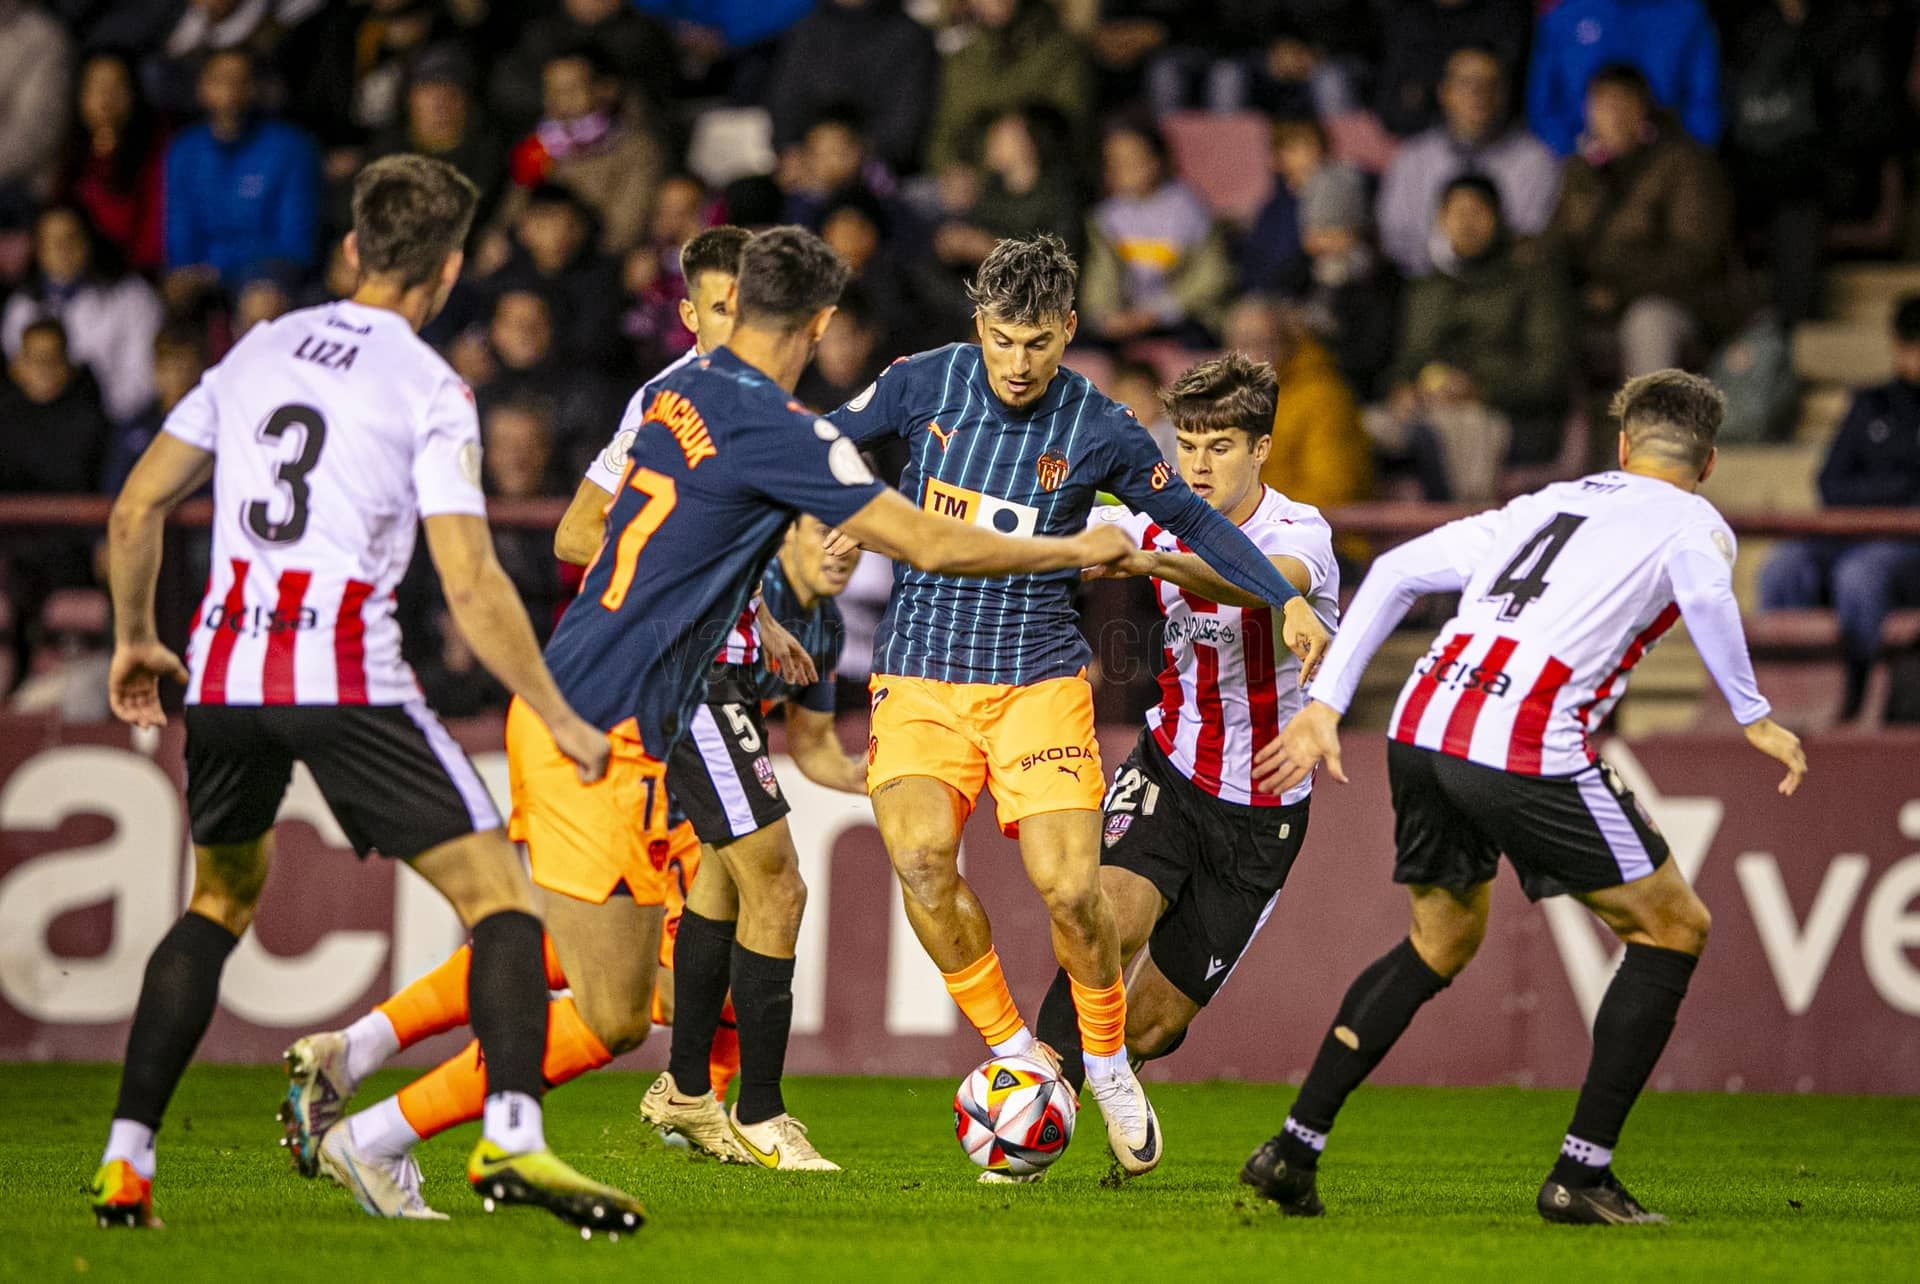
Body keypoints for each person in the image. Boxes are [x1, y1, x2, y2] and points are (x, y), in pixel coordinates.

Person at [290, 225, 1139, 1194]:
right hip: (613, 715)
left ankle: (381, 1085)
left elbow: (701, 530)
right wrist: (1078, 551)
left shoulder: (676, 395)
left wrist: (772, 598)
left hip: (619, 709)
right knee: (685, 947)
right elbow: (926, 544)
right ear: (817, 325)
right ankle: (701, 1108)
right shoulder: (773, 426)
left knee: (631, 958)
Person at [89, 154, 643, 1235]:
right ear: (448, 270)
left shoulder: (255, 350)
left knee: (217, 904)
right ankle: (514, 1141)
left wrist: (132, 640)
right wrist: (562, 712)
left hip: (228, 674)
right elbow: (475, 583)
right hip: (342, 673)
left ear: (352, 249)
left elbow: (134, 510)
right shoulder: (431, 386)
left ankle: (126, 1162)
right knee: (502, 906)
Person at [1241, 369, 1807, 1225]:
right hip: (1521, 738)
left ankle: (1292, 1148)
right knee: (1673, 926)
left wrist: (1325, 706)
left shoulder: (1544, 503)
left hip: (1423, 721)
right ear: (1709, 461)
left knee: (1439, 941)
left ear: (1621, 445)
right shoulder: (1693, 521)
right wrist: (1755, 715)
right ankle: (1582, 1173)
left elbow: (1395, 569)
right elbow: (1704, 593)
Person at [825, 234, 1331, 1180]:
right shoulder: (919, 383)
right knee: (923, 857)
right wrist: (814, 534)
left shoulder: (1102, 430)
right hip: (921, 673)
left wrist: (1287, 594)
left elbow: (1195, 523)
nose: (1017, 365)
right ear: (979, 324)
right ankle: (1022, 1055)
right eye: (1002, 340)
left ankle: (1105, 1065)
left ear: (1068, 331)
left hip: (1039, 680)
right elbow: (813, 447)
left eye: (1037, 344)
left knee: (1070, 893)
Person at [1027, 354, 1340, 1138]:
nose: (1198, 465)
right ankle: (1031, 1103)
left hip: (1262, 814)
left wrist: (1151, 556)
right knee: (1105, 921)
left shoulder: (1303, 530)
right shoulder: (1149, 512)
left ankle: (1094, 1082)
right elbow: (1055, 518)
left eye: (1221, 446)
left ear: (1262, 449)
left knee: (1150, 1028)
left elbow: (1265, 579)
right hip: (1170, 766)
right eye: (1187, 444)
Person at [1759, 295, 1920, 722]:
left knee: (1861, 577)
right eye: (1911, 343)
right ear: (1897, 345)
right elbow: (1831, 484)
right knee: (1782, 568)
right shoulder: (1871, 404)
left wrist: (1879, 495)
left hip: (1907, 545)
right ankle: (1790, 700)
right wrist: (1900, 490)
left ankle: (1862, 698)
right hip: (1849, 534)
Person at [1379, 176, 1575, 497]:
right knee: (1356, 427)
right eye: (1456, 214)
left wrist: (1476, 388)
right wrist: (1402, 389)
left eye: (1477, 213)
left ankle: (1466, 532)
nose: (1466, 223)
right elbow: (1407, 361)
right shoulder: (1428, 289)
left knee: (1452, 427)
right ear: (1442, 221)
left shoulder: (1535, 282)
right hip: (1430, 409)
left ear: (1498, 217)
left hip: (1514, 418)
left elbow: (1548, 375)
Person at [1546, 64, 1733, 379]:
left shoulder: (1684, 164)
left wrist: (1618, 292)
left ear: (1643, 109)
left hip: (1680, 303)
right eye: (1603, 106)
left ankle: (1650, 427)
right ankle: (1555, 428)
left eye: (1623, 104)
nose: (1613, 116)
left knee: (1647, 322)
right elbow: (1557, 243)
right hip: (1594, 303)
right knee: (1539, 314)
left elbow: (1694, 256)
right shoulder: (1579, 171)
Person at [1376, 46, 1561, 278]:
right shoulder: (1411, 159)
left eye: (1489, 84)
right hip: (1423, 284)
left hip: (1503, 286)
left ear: (1504, 94)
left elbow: (1526, 234)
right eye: (1466, 83)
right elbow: (1395, 237)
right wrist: (1444, 264)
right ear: (1445, 93)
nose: (1477, 94)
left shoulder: (1536, 160)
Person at [161, 48, 321, 301]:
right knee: (171, 294)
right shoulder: (184, 149)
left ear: (256, 88)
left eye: (240, 80)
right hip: (199, 273)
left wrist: (220, 268)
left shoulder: (291, 147)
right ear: (202, 87)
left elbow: (297, 245)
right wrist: (189, 272)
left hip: (267, 272)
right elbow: (179, 235)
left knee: (260, 302)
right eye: (220, 79)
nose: (230, 90)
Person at [2, 204, 164, 425]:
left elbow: (143, 378)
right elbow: (23, 379)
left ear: (88, 240)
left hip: (117, 426)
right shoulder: (21, 307)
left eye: (71, 238)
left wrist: (91, 417)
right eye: (51, 241)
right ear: (38, 249)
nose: (62, 249)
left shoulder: (132, 296)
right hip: (43, 428)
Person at [499, 46, 663, 255]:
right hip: (532, 261)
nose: (560, 102)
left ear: (606, 90)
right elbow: (509, 217)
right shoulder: (536, 146)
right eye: (552, 90)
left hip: (597, 263)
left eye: (571, 89)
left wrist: (564, 241)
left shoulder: (637, 149)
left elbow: (625, 230)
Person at [1082, 121, 1232, 346]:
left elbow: (1213, 275)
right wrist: (1106, 316)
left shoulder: (1189, 209)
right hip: (1126, 318)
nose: (1124, 167)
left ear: (1157, 158)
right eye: (1115, 161)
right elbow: (1099, 279)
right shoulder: (1105, 217)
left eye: (1133, 158)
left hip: (1182, 316)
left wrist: (1158, 312)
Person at [1225, 295, 1372, 522]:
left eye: (1263, 342)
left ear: (1288, 342)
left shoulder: (1323, 397)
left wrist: (1252, 510)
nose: (1251, 355)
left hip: (1324, 538)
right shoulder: (1226, 399)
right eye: (1243, 343)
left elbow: (1333, 492)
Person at [1527, 0, 1721, 156]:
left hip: (1666, 159)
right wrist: (1575, 148)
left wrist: (1673, 153)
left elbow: (1706, 104)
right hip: (1578, 159)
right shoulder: (1564, 15)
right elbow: (1541, 106)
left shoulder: (1688, 15)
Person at [766, 0, 937, 175]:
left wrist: (854, 157)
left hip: (881, 173)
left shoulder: (910, 37)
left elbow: (905, 119)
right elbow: (785, 103)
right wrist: (792, 150)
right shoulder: (805, 31)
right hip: (807, 164)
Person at [60, 50, 168, 273]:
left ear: (134, 93)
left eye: (116, 86)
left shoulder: (156, 150)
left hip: (138, 275)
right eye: (96, 87)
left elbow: (151, 235)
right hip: (82, 276)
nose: (105, 97)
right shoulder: (71, 151)